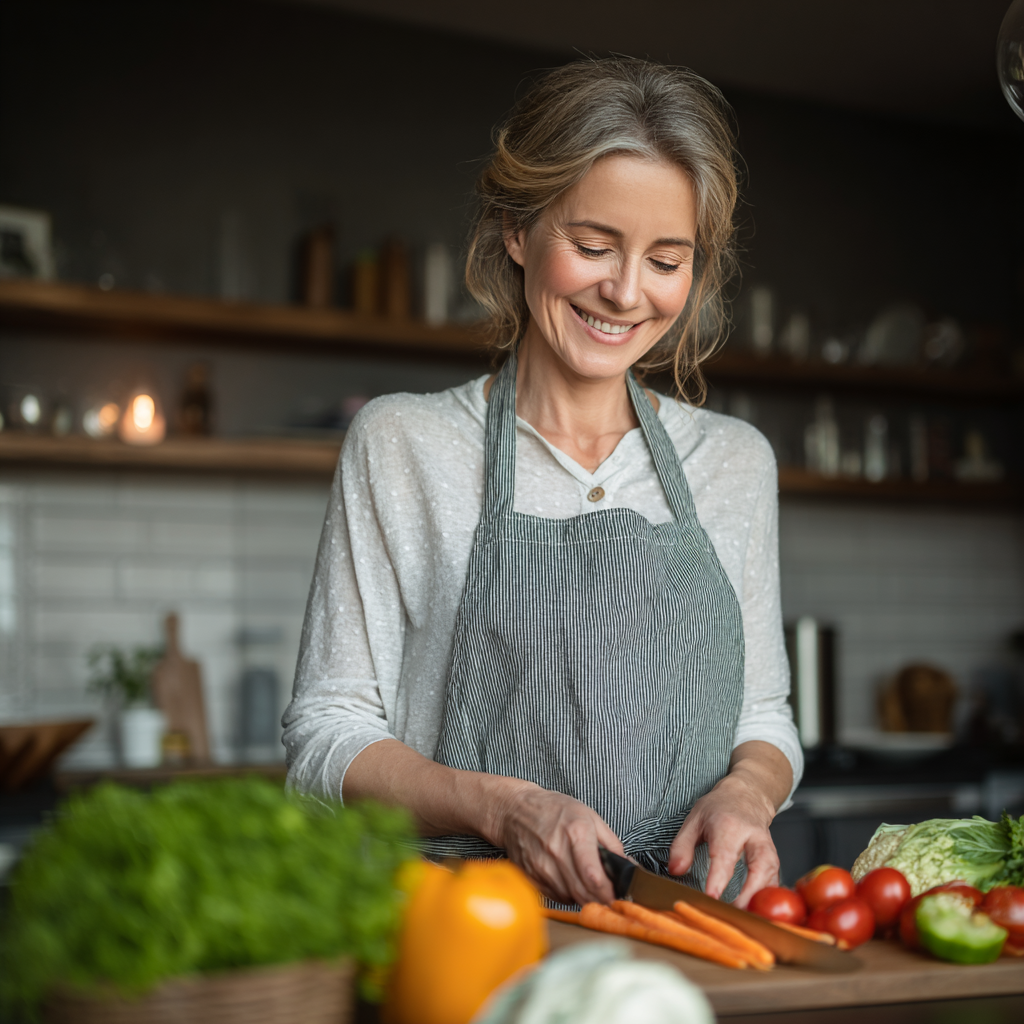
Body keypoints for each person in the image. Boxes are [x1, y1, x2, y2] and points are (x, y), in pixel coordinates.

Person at [283, 57, 801, 909]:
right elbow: (323, 741)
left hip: (687, 934)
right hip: (468, 933)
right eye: (593, 246)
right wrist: (505, 806)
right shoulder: (404, 443)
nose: (626, 292)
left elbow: (764, 718)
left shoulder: (735, 462)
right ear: (517, 231)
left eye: (666, 260)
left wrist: (748, 791)